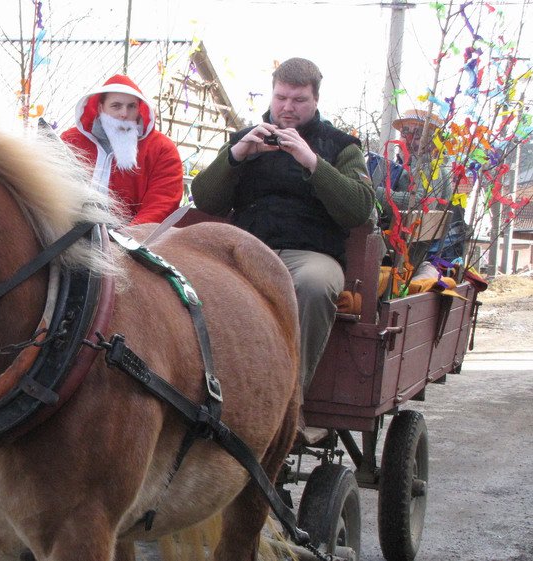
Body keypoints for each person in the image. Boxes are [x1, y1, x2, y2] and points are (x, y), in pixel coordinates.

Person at [190, 57, 374, 402]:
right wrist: (236, 156)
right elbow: (205, 199)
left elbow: (359, 209)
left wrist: (312, 162)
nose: (287, 108)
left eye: (299, 100)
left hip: (309, 255)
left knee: (314, 285)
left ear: (315, 100)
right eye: (281, 98)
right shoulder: (245, 139)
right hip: (246, 250)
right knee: (199, 285)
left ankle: (288, 402)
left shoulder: (341, 146)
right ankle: (209, 395)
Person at [61, 74, 184, 225]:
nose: (124, 114)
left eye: (131, 106)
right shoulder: (71, 141)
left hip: (132, 238)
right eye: (116, 106)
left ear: (139, 109)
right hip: (67, 230)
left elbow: (163, 202)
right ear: (101, 108)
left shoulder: (161, 149)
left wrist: (126, 238)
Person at [390, 109, 469, 262]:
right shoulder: (404, 168)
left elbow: (422, 203)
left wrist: (378, 193)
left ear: (434, 142)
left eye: (419, 134)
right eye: (405, 132)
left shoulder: (431, 168)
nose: (410, 139)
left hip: (416, 256)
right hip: (406, 247)